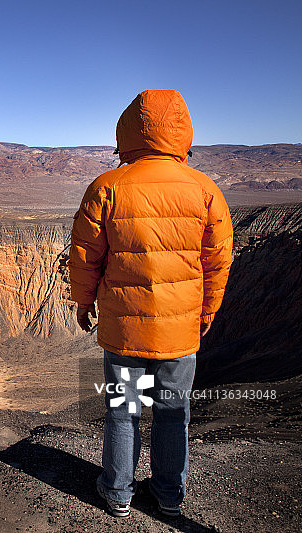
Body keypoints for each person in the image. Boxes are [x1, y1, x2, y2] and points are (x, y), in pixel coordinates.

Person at [69, 90, 233, 518]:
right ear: (182, 132)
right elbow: (218, 260)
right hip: (180, 330)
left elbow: (85, 254)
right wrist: (208, 310)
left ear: (128, 131)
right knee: (173, 412)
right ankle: (168, 495)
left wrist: (83, 302)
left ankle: (118, 493)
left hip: (124, 329)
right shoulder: (205, 190)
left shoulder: (107, 186)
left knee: (122, 412)